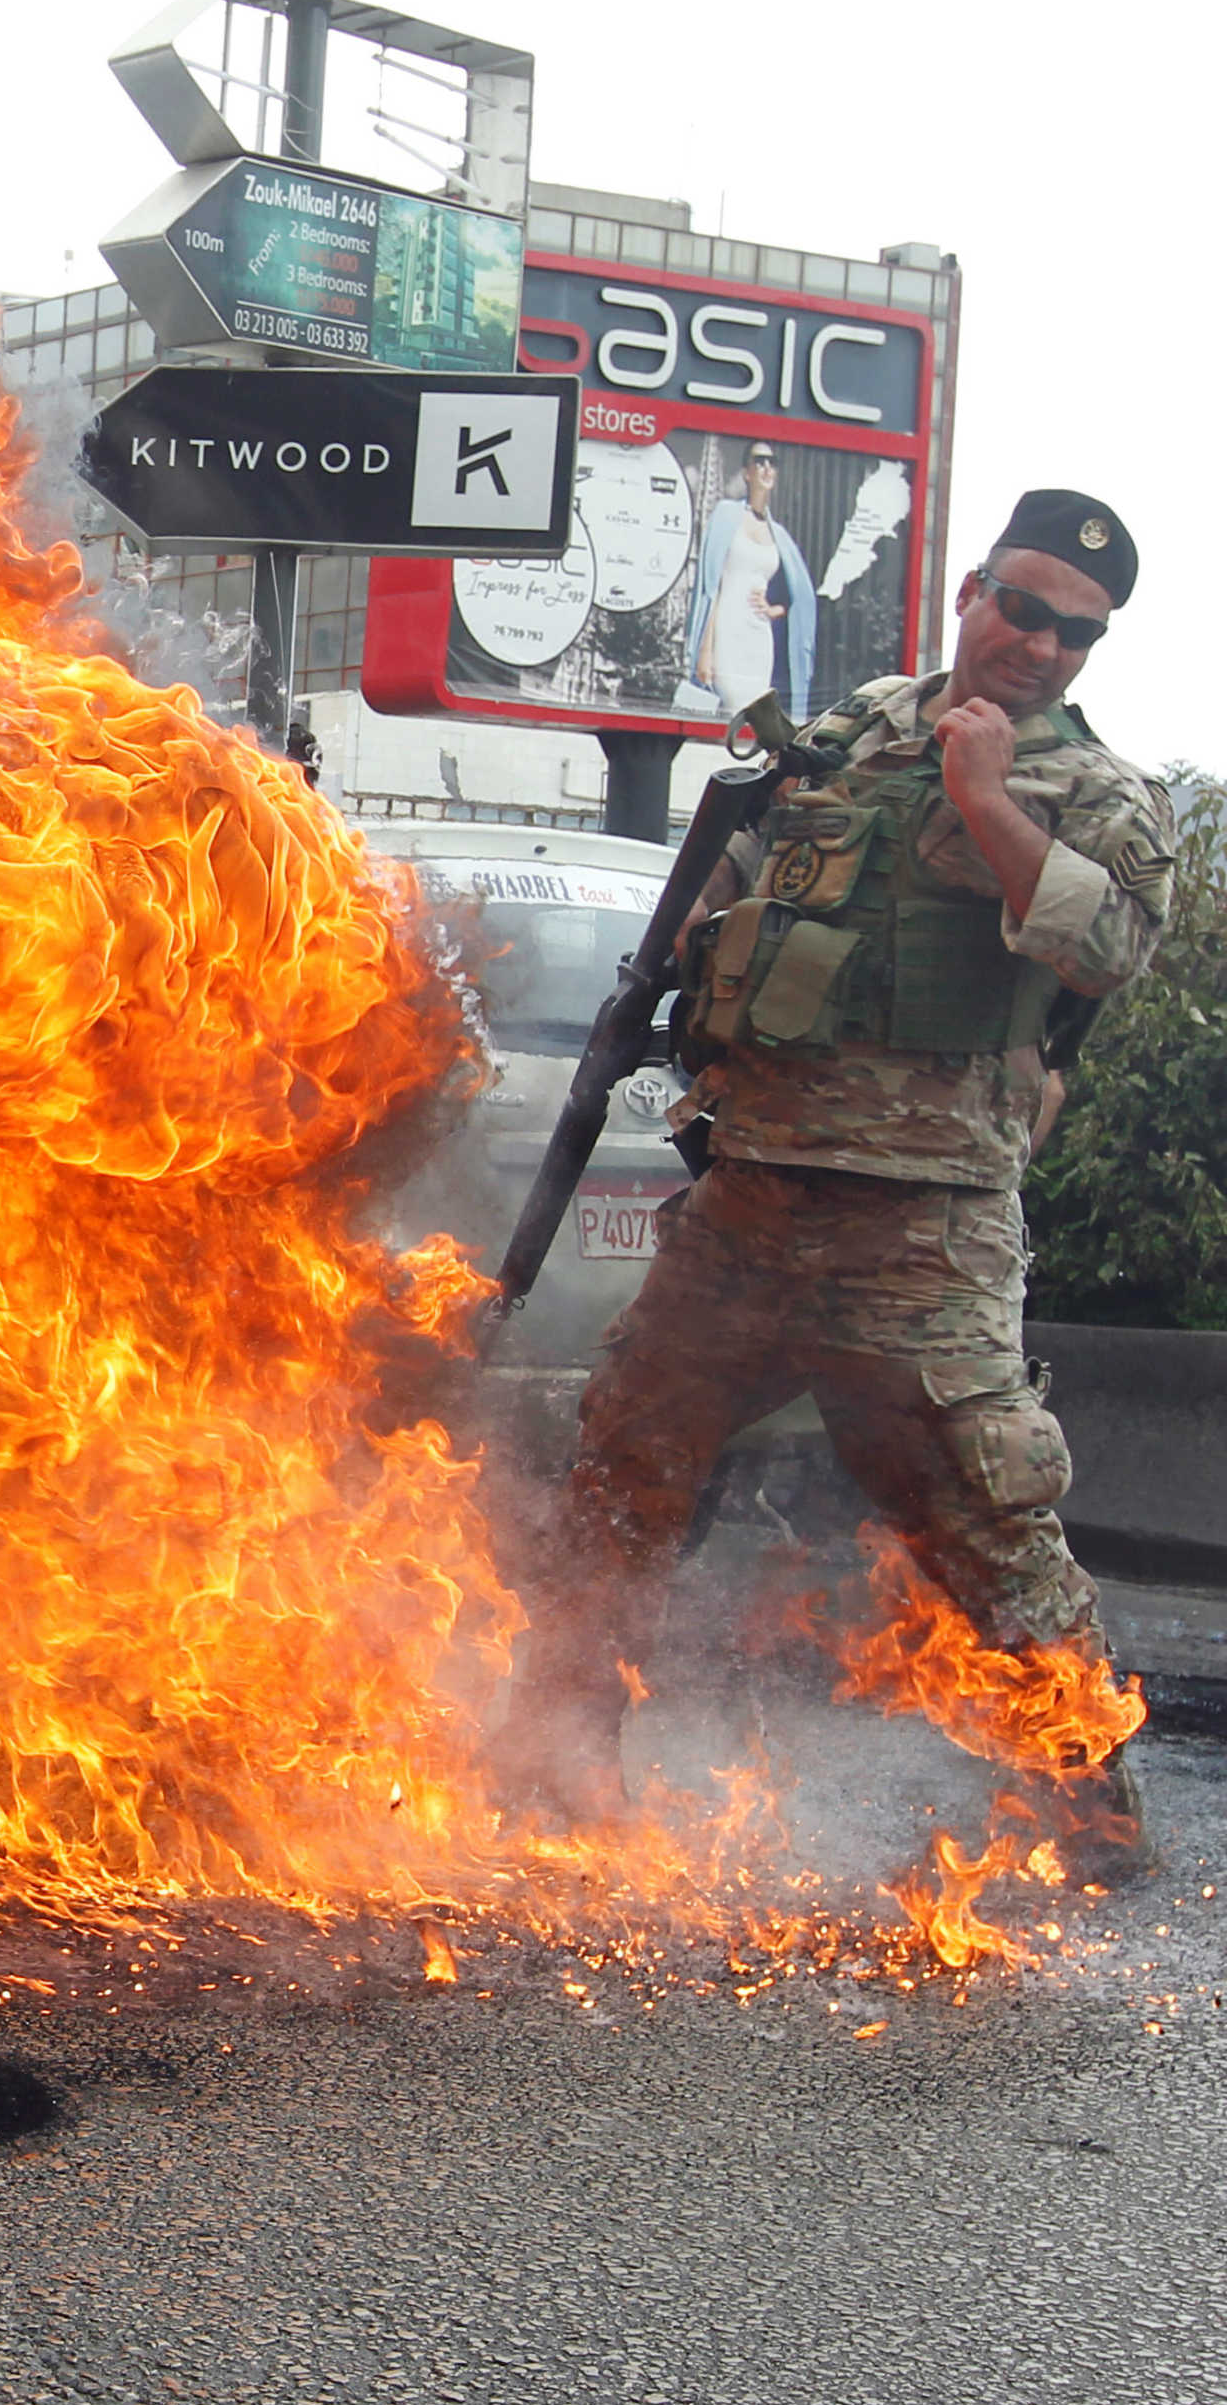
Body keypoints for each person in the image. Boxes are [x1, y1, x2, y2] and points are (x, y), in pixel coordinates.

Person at [499, 489, 1177, 1868]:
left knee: (985, 1522)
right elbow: (749, 859)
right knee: (622, 1468)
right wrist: (699, 927)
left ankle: (1091, 1810)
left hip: (921, 1231)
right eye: (1026, 609)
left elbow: (1108, 950)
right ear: (973, 590)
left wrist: (987, 799)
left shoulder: (1096, 792)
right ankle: (549, 1761)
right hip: (750, 1198)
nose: (1044, 647)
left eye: (1078, 635)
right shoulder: (862, 731)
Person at [687, 442, 819, 718]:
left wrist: (773, 610)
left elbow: (799, 598)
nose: (767, 467)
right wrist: (705, 649)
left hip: (759, 639)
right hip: (726, 631)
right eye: (759, 461)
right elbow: (713, 587)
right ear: (746, 472)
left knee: (752, 718)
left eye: (772, 462)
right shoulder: (726, 515)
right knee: (731, 708)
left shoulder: (780, 535)